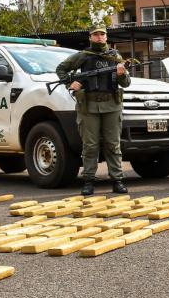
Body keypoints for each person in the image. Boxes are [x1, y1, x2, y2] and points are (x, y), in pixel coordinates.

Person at [56, 23, 131, 196]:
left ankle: (117, 180)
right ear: (90, 37)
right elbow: (61, 69)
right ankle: (88, 180)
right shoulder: (83, 56)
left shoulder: (115, 56)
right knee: (90, 146)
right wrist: (70, 83)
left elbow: (126, 83)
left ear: (106, 37)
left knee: (113, 144)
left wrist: (121, 74)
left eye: (102, 35)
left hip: (112, 105)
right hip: (88, 106)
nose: (99, 38)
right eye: (96, 35)